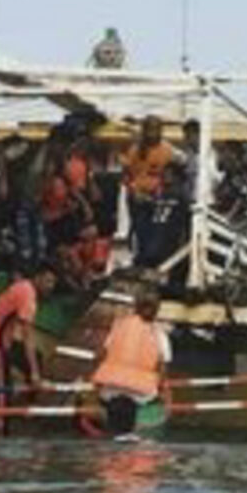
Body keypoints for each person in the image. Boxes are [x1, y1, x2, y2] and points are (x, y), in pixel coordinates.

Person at [0, 264, 57, 431]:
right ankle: (0, 430)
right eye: (47, 281)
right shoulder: (27, 295)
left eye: (52, 283)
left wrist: (34, 371)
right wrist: (35, 374)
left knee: (37, 358)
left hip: (5, 340)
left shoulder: (24, 287)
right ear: (38, 278)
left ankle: (26, 404)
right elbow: (27, 337)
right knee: (3, 390)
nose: (50, 286)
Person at [92, 286, 170, 440]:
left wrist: (96, 384)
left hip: (110, 389)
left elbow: (99, 356)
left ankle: (113, 431)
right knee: (153, 398)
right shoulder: (159, 334)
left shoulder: (118, 326)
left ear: (135, 306)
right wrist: (164, 395)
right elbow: (162, 369)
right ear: (157, 309)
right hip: (140, 392)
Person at [122, 115, 173, 263]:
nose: (153, 133)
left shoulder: (167, 150)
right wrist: (135, 192)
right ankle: (141, 261)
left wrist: (161, 193)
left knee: (157, 234)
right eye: (150, 129)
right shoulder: (135, 150)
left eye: (156, 129)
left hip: (158, 199)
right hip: (137, 199)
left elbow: (168, 175)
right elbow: (127, 176)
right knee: (140, 232)